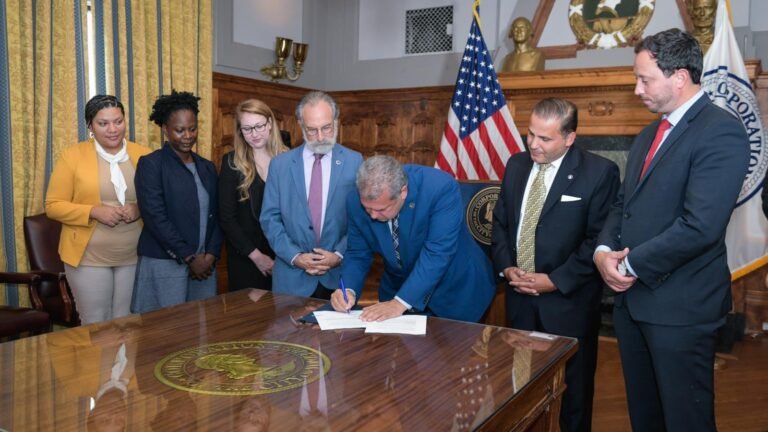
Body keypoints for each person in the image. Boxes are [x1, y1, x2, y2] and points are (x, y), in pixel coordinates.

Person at [594, 29, 749, 431]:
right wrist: (602, 252)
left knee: (685, 420)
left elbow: (701, 227)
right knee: (645, 417)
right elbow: (623, 205)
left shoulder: (721, 131)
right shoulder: (649, 133)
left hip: (682, 308)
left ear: (679, 77)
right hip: (635, 305)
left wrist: (628, 267)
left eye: (644, 79)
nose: (636, 88)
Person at [491, 97, 620, 432]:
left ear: (569, 137)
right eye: (530, 135)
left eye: (545, 138)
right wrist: (507, 267)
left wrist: (555, 280)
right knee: (520, 382)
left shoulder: (600, 172)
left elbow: (597, 240)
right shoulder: (516, 165)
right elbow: (502, 223)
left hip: (568, 301)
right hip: (519, 295)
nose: (534, 144)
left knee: (574, 391)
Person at [330, 155, 495, 322]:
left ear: (403, 192)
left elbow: (437, 254)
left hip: (455, 291)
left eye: (381, 209)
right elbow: (358, 252)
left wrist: (399, 303)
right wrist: (348, 289)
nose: (372, 216)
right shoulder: (355, 200)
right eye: (367, 208)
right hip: (398, 288)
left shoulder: (439, 188)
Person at [45, 95, 151, 324]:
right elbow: (53, 206)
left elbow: (160, 199)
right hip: (88, 256)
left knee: (129, 323)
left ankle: (126, 363)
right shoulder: (72, 156)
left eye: (118, 121)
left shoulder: (144, 154)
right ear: (90, 126)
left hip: (135, 254)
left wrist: (140, 208)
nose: (113, 129)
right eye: (103, 123)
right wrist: (94, 212)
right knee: (96, 325)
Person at [260, 91, 363, 299]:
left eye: (326, 127)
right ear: (300, 125)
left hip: (337, 277)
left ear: (336, 121)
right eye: (312, 130)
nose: (320, 137)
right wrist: (295, 256)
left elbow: (361, 218)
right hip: (291, 280)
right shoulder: (280, 165)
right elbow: (270, 219)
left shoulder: (355, 161)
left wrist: (338, 254)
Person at [132, 90, 223, 313]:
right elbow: (155, 216)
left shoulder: (207, 167)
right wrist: (189, 257)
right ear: (165, 129)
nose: (188, 135)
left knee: (200, 331)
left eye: (192, 129)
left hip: (204, 266)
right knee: (165, 333)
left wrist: (210, 255)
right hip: (165, 262)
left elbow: (218, 214)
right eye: (179, 130)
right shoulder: (151, 164)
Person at [219, 99, 288, 291]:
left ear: (270, 123)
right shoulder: (231, 162)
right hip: (246, 258)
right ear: (239, 131)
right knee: (252, 318)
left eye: (259, 126)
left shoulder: (290, 160)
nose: (254, 134)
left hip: (285, 257)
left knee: (285, 316)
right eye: (247, 129)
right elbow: (227, 218)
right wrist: (257, 257)